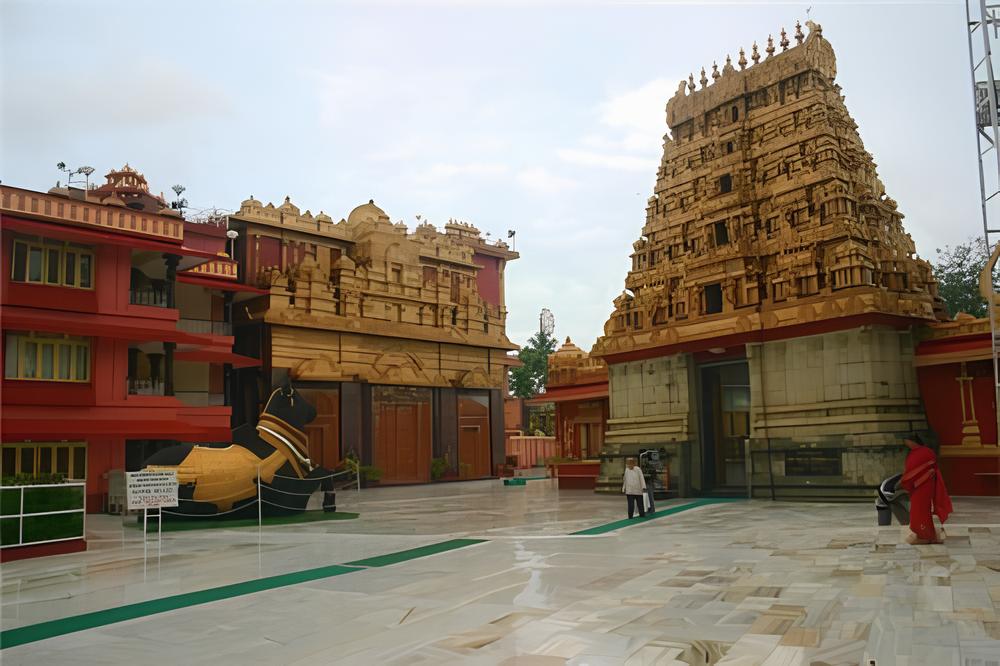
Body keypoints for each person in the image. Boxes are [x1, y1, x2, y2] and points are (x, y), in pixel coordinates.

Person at [899, 434, 952, 544]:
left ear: (912, 441)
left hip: (924, 486)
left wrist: (913, 478)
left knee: (921, 510)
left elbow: (932, 468)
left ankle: (925, 536)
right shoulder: (913, 453)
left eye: (906, 440)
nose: (905, 443)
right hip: (916, 486)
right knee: (917, 510)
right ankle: (924, 534)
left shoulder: (927, 452)